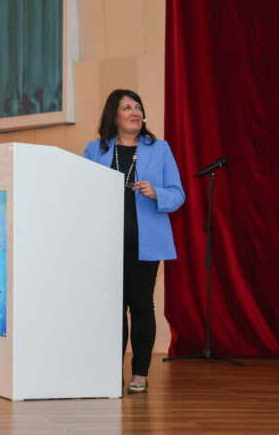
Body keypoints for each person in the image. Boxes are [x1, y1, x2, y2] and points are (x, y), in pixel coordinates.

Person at [84, 89, 185, 393]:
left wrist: (157, 193)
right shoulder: (95, 150)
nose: (135, 112)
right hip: (106, 245)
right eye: (127, 107)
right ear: (114, 116)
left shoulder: (160, 149)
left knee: (141, 307)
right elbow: (81, 192)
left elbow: (178, 194)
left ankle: (140, 374)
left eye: (138, 107)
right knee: (112, 311)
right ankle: (110, 372)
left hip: (145, 244)